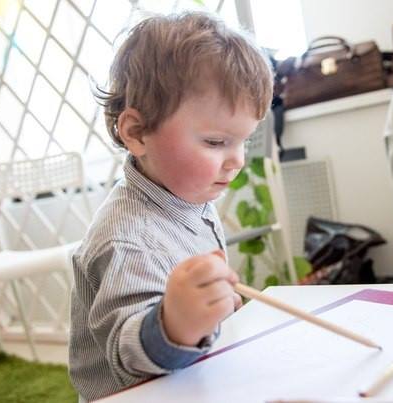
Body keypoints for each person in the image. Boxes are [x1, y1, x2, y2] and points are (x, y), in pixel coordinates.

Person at [68, 11, 273, 401]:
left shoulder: (186, 195)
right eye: (216, 142)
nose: (238, 160)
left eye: (243, 140)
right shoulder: (127, 240)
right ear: (137, 133)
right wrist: (175, 324)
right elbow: (129, 356)